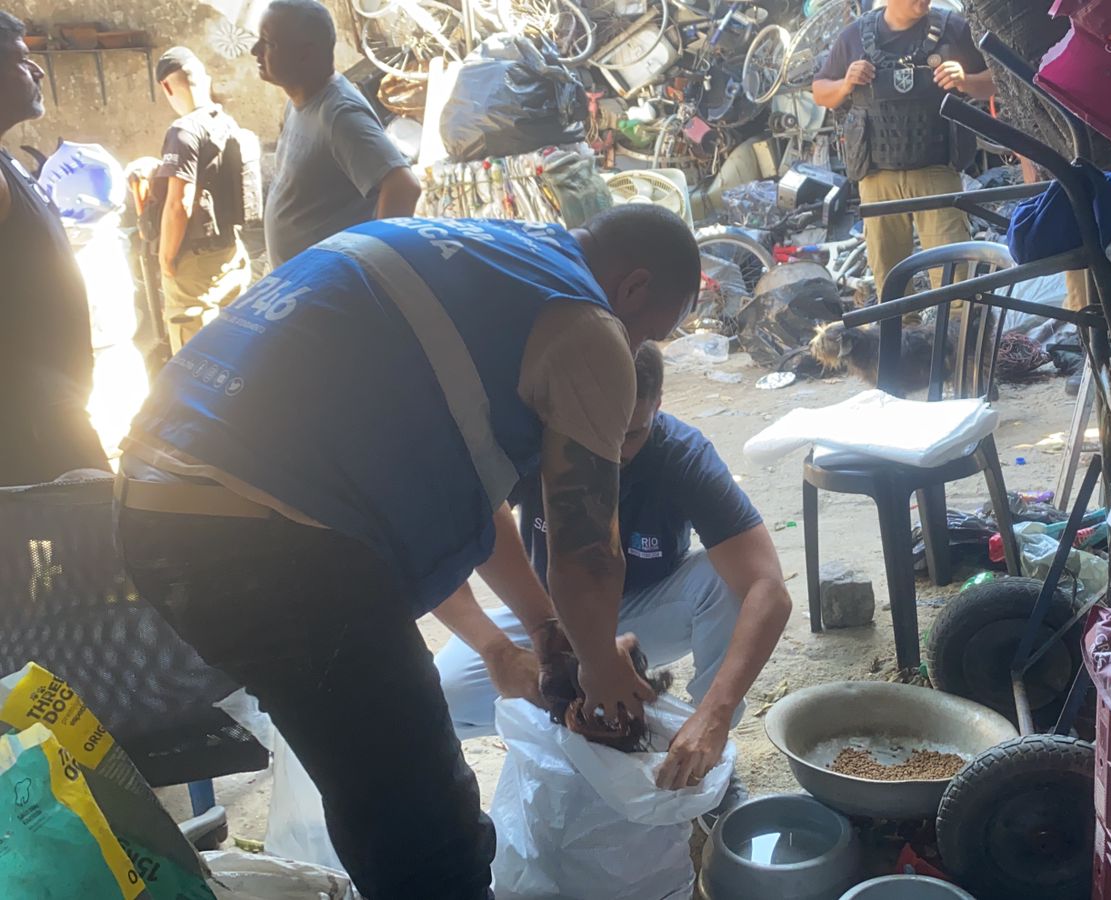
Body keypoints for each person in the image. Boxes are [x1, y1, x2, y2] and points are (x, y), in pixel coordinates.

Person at [115, 205, 701, 900]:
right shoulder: (589, 324)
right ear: (632, 289)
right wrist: (603, 668)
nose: (634, 352)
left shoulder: (490, 253)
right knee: (425, 826)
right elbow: (587, 554)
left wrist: (543, 633)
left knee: (381, 780)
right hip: (259, 532)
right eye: (647, 335)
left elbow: (470, 500)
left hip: (158, 501)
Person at [433, 341, 792, 790]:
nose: (609, 454)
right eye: (594, 432)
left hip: (648, 610)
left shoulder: (681, 456)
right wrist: (500, 651)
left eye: (631, 434)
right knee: (446, 692)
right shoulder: (535, 446)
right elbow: (435, 548)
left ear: (657, 406)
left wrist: (715, 714)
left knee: (730, 584)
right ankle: (567, 730)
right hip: (551, 613)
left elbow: (769, 587)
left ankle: (700, 744)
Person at [812, 0, 995, 288]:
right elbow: (820, 92)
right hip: (877, 179)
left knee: (956, 283)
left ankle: (958, 332)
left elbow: (997, 81)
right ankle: (900, 332)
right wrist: (845, 84)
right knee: (890, 287)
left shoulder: (953, 28)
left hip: (936, 173)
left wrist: (965, 80)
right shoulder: (854, 36)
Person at [0, 10, 107, 485]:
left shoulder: (6, 160)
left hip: (48, 409)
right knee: (56, 543)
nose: (37, 70)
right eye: (22, 61)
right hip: (32, 423)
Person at [251, 0, 420, 268]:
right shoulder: (298, 103)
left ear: (305, 53)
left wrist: (377, 267)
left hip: (334, 293)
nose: (255, 51)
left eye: (268, 43)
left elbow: (403, 187)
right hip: (302, 289)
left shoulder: (340, 115)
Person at [153, 47, 258, 351]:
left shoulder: (183, 131)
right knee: (236, 348)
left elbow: (179, 204)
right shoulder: (226, 122)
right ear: (205, 79)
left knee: (195, 360)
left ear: (167, 86)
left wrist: (165, 259)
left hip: (195, 268)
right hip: (231, 253)